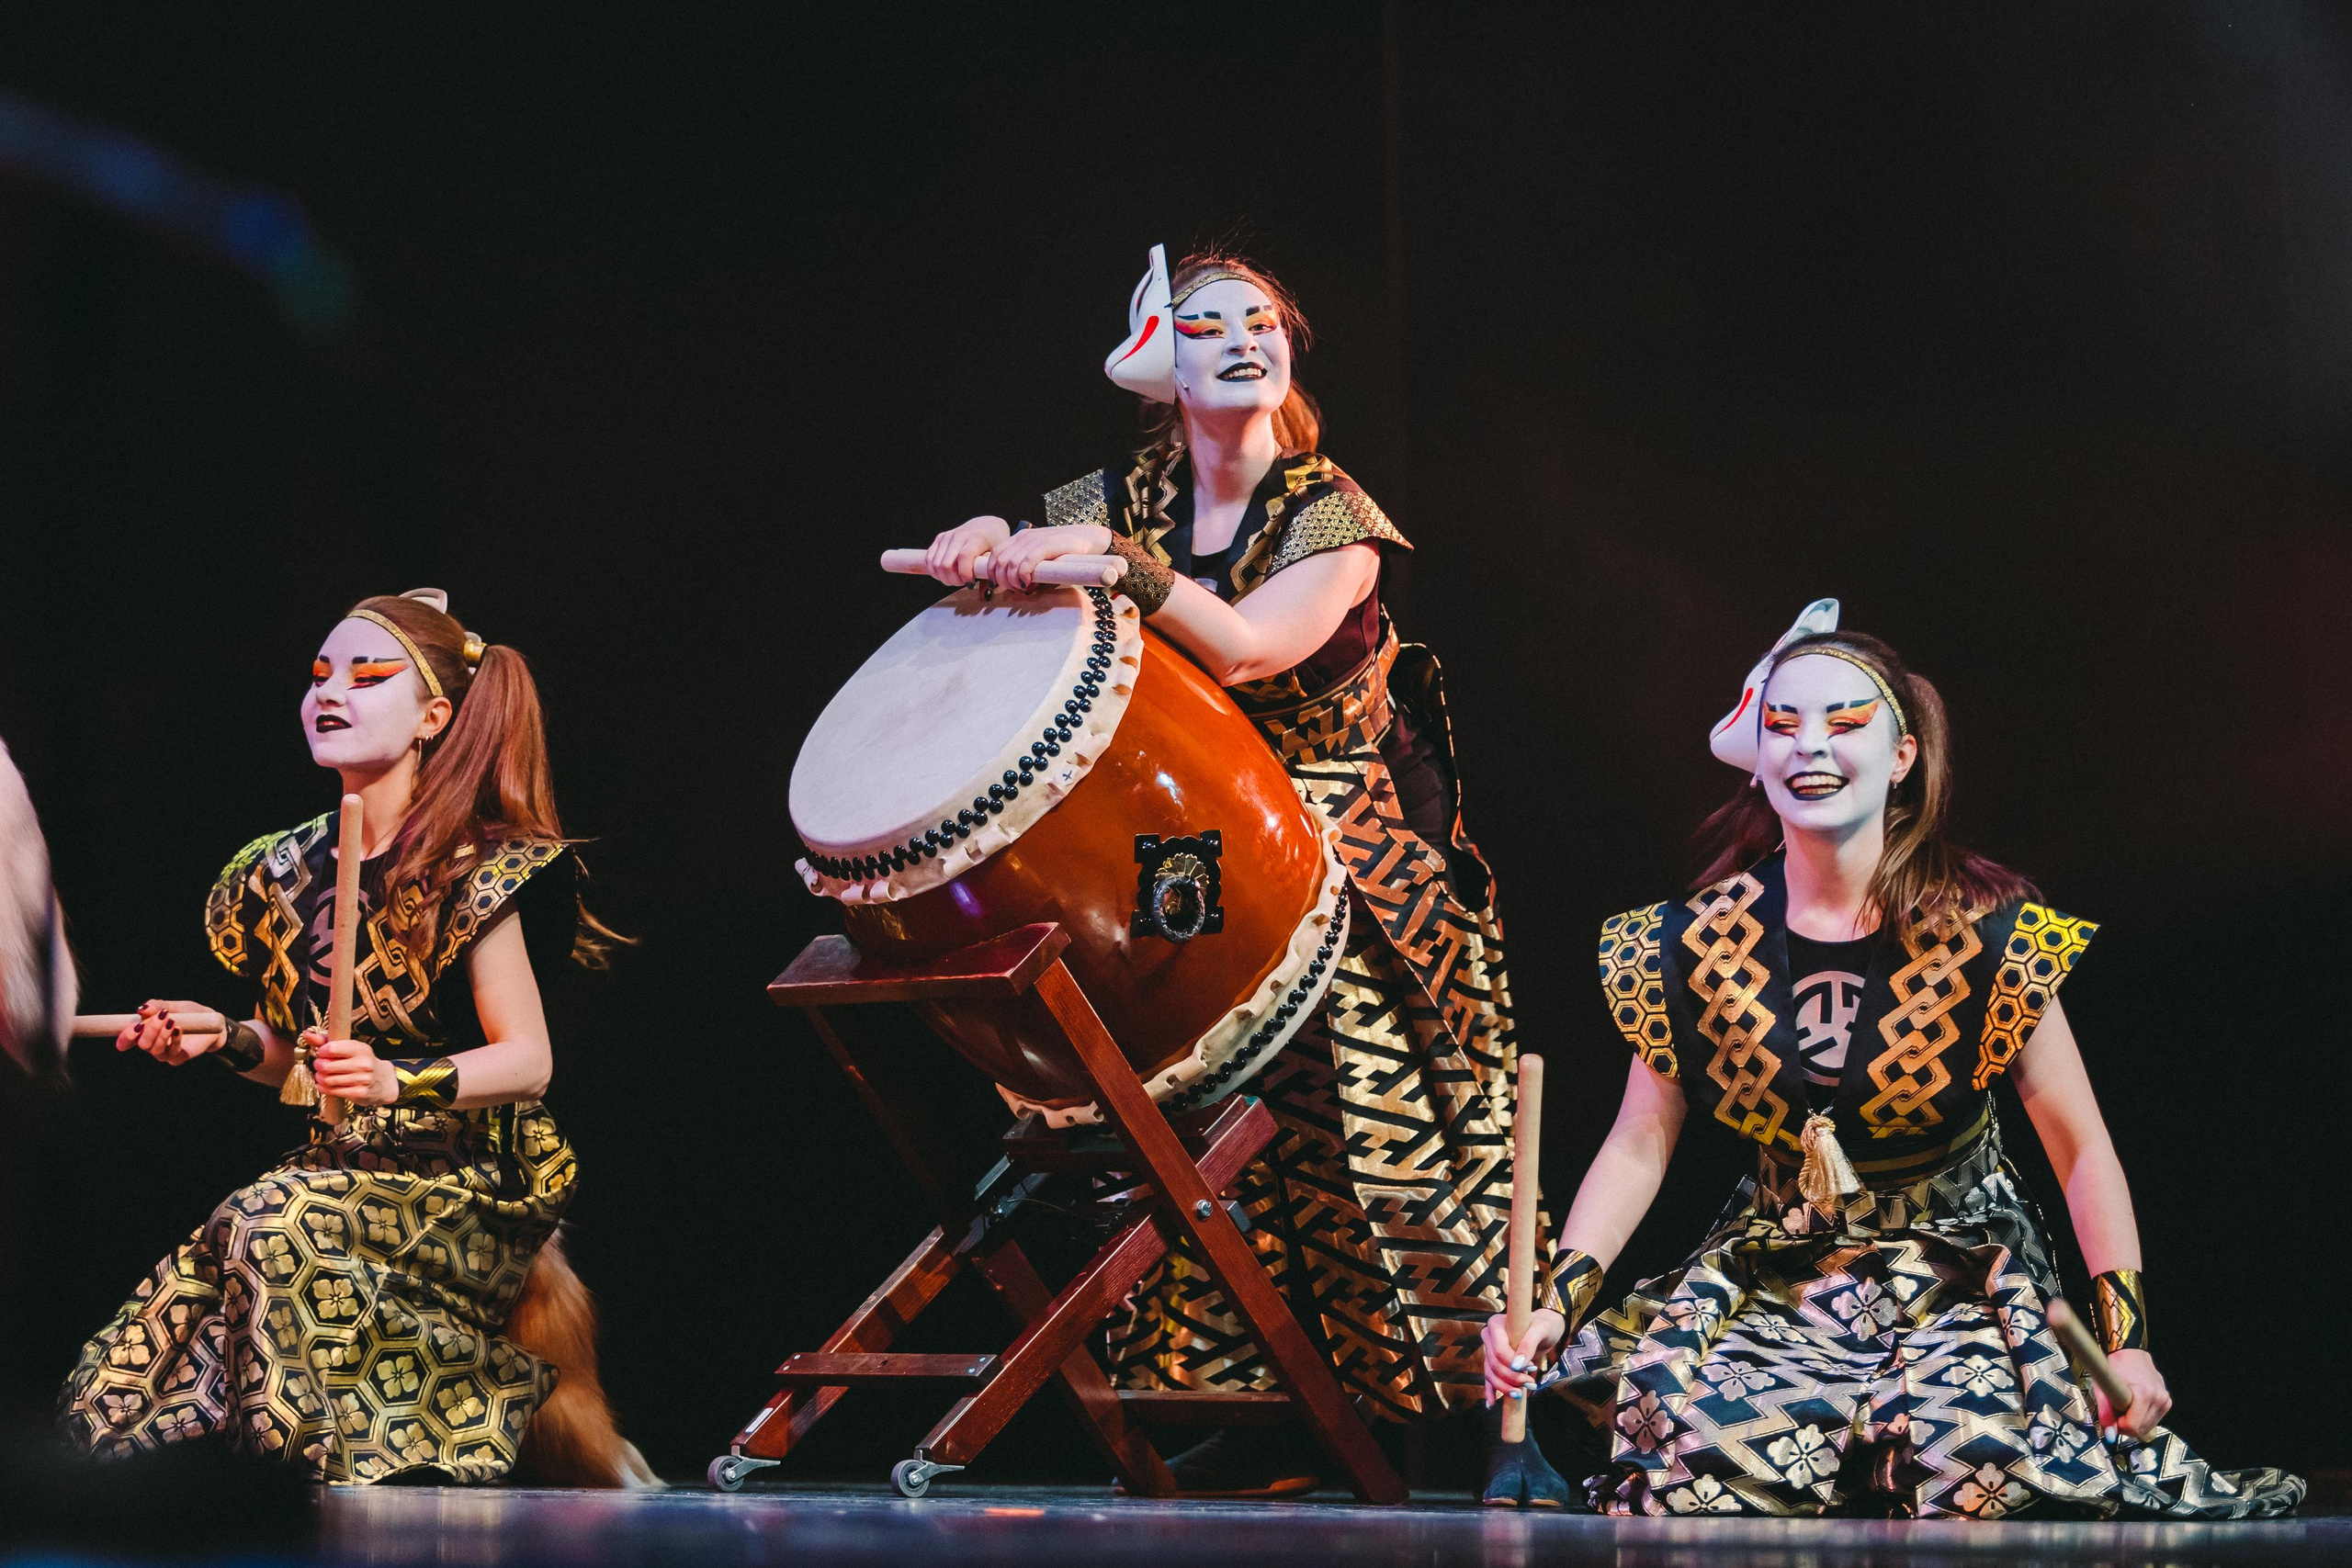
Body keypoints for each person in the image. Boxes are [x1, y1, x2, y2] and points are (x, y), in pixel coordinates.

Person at [922, 246, 1550, 1495]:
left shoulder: (1331, 511)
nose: (1246, 339)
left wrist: (1122, 569)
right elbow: (1040, 562)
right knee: (1183, 1120)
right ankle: (1236, 1406)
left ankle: (1475, 1420)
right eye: (1208, 325)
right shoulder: (1113, 493)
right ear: (1162, 363)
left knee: (1373, 1122)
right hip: (1186, 829)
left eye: (1264, 321)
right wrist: (990, 543)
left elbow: (1258, 650)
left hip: (1348, 821)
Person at [1480, 607, 2303, 1518]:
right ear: (1757, 755)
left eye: (1844, 722)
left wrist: (2129, 1342)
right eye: (1782, 726)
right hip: (1784, 1271)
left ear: (1903, 755)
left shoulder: (1984, 932)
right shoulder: (1693, 942)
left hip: (1959, 1274)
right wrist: (1553, 1302)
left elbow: (2080, 1149)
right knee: (1693, 1464)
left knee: (1980, 1470)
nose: (1810, 748)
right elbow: (1640, 1139)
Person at [57, 590, 649, 1486]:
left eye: (369, 678)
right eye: (320, 675)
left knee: (264, 1222)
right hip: (344, 1172)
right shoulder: (285, 871)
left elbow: (527, 1061)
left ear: (433, 718)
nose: (331, 692)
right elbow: (304, 1065)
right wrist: (222, 1036)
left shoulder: (469, 866)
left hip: (470, 1175)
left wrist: (394, 1082)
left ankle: (318, 1473)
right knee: (126, 1380)